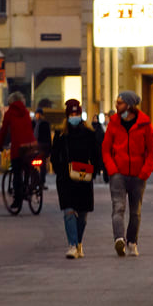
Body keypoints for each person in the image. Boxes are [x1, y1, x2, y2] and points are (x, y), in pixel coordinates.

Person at [102, 90, 153, 256]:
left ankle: (132, 242)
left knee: (135, 212)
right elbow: (105, 150)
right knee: (118, 207)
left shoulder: (145, 124)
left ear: (129, 106)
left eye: (119, 103)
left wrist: (145, 172)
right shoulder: (113, 123)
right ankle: (119, 239)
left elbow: (152, 151)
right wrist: (112, 169)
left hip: (138, 175)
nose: (116, 106)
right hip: (118, 173)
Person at [50, 99, 101, 258]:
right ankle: (72, 245)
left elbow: (96, 154)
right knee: (69, 211)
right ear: (67, 116)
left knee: (83, 215)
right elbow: (54, 156)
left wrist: (95, 171)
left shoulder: (89, 133)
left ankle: (78, 242)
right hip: (66, 179)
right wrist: (60, 170)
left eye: (77, 113)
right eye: (71, 114)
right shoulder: (60, 134)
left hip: (84, 177)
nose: (74, 116)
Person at [0, 92, 38, 213]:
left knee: (17, 172)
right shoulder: (26, 112)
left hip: (18, 147)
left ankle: (17, 199)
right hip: (31, 146)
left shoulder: (9, 113)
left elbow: (4, 131)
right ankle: (31, 187)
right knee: (28, 167)